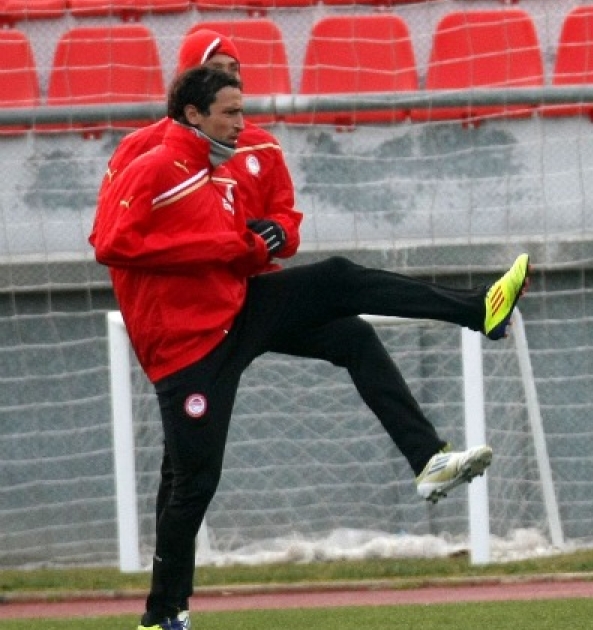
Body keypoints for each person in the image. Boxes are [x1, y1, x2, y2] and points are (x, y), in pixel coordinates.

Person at [91, 67, 529, 630]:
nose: (242, 121)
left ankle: (468, 345)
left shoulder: (220, 172)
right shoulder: (152, 164)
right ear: (193, 112)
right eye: (230, 110)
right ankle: (163, 614)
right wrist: (229, 243)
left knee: (346, 306)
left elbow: (244, 245)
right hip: (190, 347)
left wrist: (264, 241)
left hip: (239, 309)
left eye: (243, 107)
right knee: (190, 483)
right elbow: (111, 242)